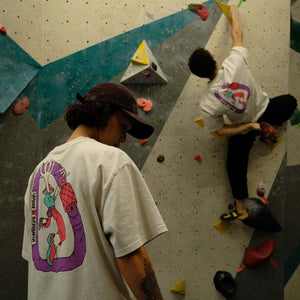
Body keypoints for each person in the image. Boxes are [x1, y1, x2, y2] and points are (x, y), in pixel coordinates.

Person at [22, 82, 168, 300]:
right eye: (124, 127)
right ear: (105, 114)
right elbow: (131, 255)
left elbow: (35, 259)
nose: (123, 139)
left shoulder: (37, 175)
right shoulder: (110, 161)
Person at [188, 5, 297, 220]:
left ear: (200, 76)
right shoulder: (235, 61)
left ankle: (240, 205)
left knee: (234, 164)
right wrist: (234, 13)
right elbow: (237, 34)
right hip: (267, 109)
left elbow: (220, 130)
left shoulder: (207, 102)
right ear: (214, 59)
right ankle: (267, 130)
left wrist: (247, 127)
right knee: (290, 101)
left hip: (246, 126)